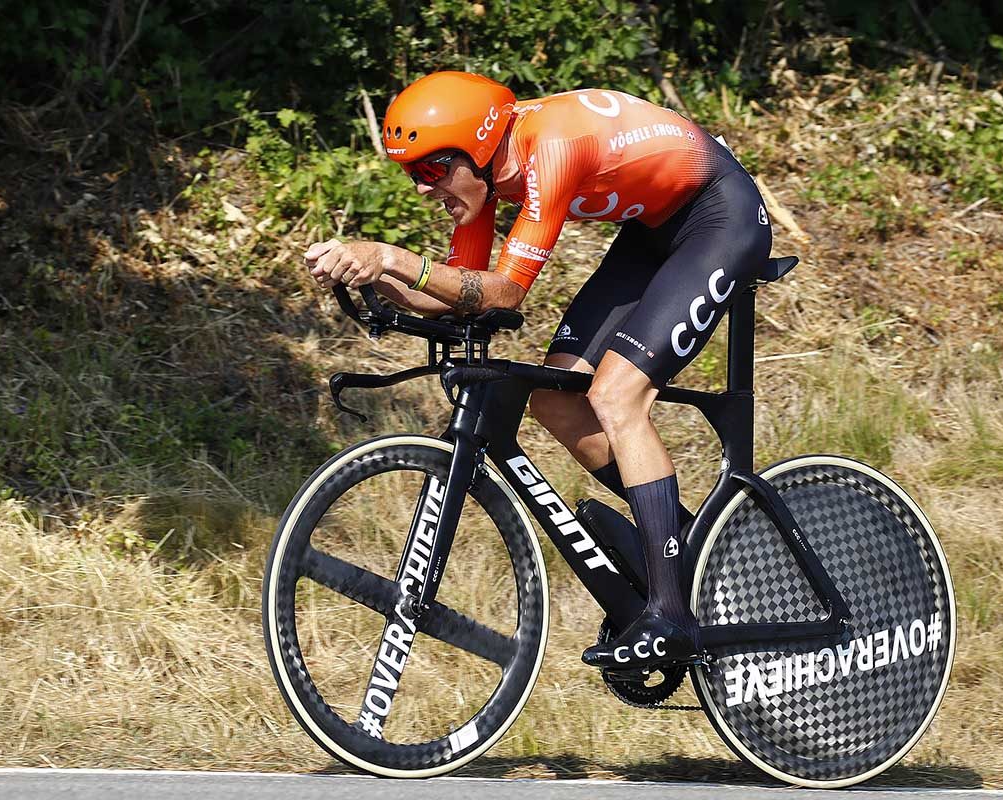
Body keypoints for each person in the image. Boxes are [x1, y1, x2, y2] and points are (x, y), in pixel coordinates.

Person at [304, 71, 771, 670]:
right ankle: (691, 550)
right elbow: (459, 295)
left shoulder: (553, 144)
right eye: (413, 174)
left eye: (430, 170)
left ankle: (671, 609)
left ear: (477, 148)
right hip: (653, 232)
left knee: (617, 397)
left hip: (720, 215)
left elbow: (502, 296)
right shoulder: (481, 183)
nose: (423, 189)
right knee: (555, 401)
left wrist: (392, 257)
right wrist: (372, 277)